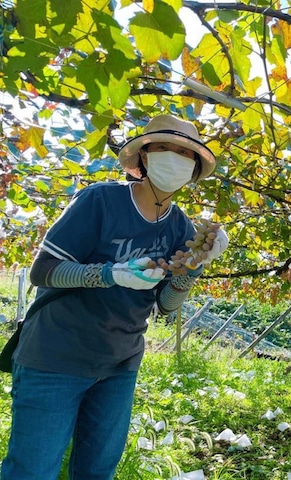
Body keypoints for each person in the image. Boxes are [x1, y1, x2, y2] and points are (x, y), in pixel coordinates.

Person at [1, 114, 229, 480]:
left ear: (194, 168)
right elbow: (43, 270)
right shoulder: (101, 200)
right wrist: (108, 274)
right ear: (144, 156)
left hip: (119, 367)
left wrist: (194, 267)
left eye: (184, 153)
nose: (174, 157)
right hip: (55, 358)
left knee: (98, 471)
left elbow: (165, 306)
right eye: (164, 147)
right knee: (32, 470)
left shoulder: (181, 228)